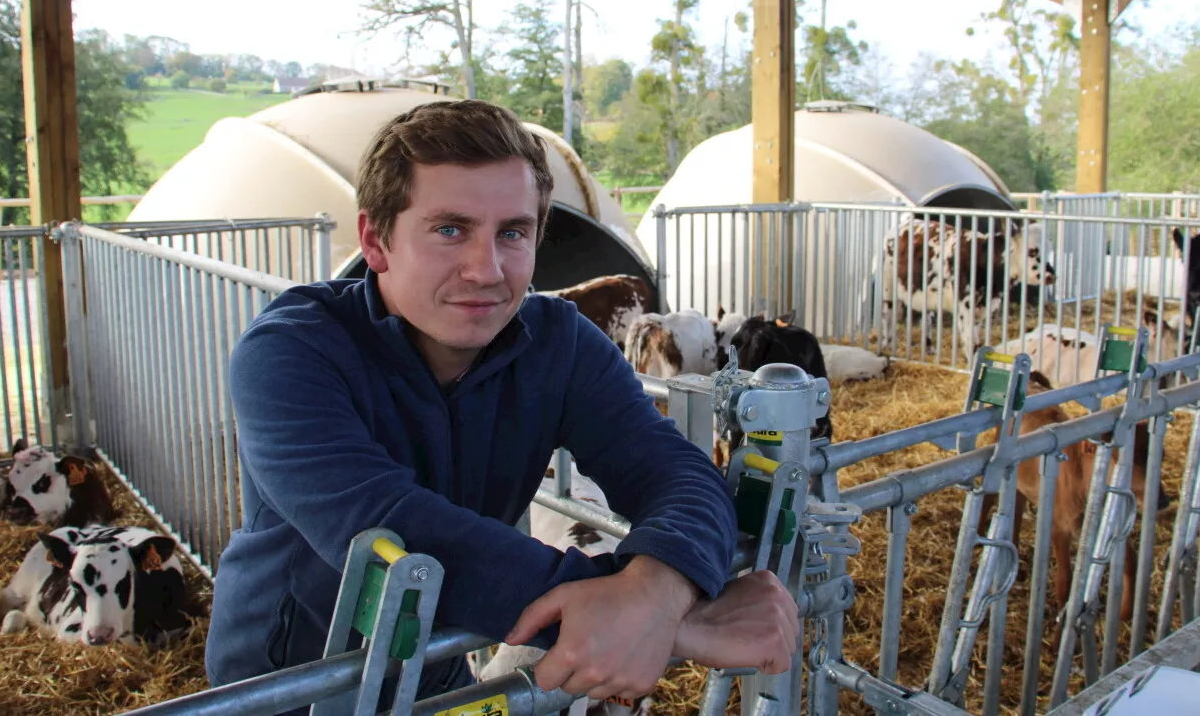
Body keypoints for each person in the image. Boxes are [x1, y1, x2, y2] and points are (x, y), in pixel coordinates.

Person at [204, 99, 798, 711]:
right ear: (376, 241)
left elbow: (676, 471)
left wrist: (660, 587)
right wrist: (680, 624)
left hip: (431, 665)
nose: (485, 270)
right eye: (450, 229)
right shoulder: (292, 350)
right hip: (287, 682)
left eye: (511, 232)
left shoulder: (559, 343)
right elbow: (389, 525)